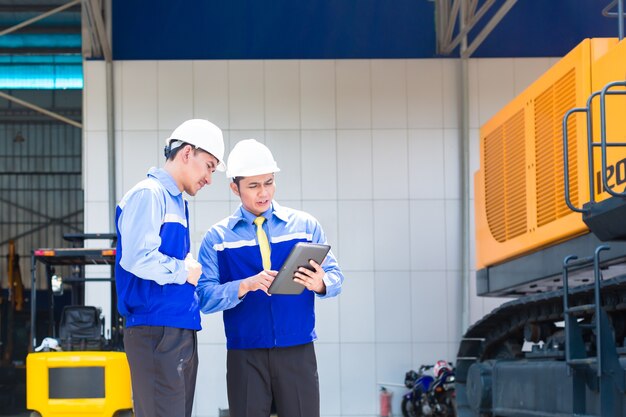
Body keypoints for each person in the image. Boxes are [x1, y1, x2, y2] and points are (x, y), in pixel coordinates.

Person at [197, 139, 344, 417]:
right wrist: (244, 285)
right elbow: (204, 297)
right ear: (234, 188)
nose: (263, 193)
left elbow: (336, 276)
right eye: (253, 186)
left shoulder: (305, 226)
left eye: (269, 182)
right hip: (245, 354)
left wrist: (321, 284)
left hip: (297, 350)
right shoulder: (217, 239)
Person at [115, 119, 226, 417]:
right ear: (187, 153)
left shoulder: (176, 202)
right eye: (209, 166)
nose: (209, 178)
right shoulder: (149, 194)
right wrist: (183, 271)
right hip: (156, 331)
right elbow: (137, 257)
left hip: (177, 329)